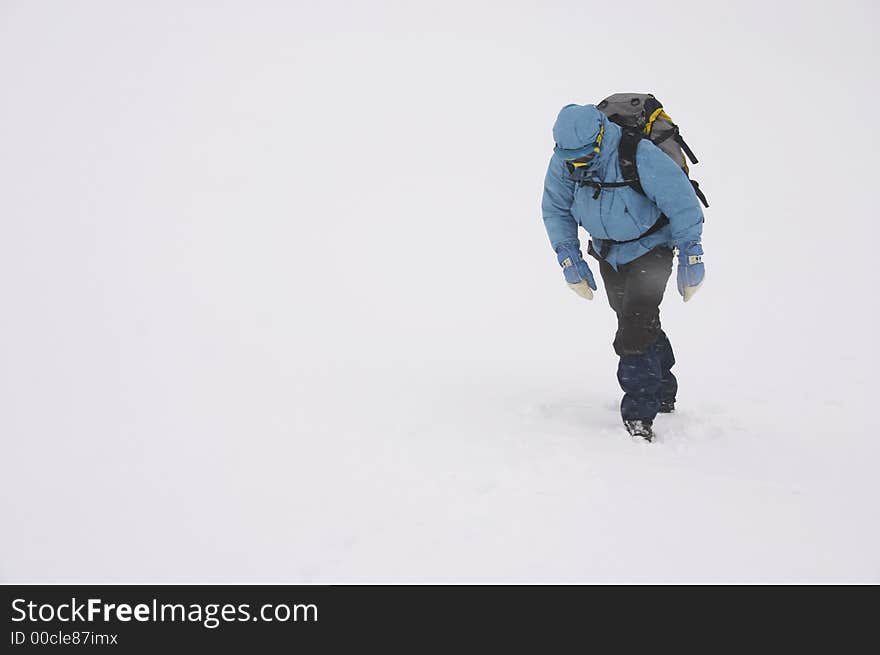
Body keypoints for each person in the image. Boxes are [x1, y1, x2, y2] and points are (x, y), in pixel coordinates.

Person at [541, 103, 705, 441]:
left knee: (633, 328)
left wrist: (691, 253)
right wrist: (569, 258)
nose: (578, 165)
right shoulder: (564, 161)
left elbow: (682, 203)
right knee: (636, 321)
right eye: (572, 158)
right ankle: (662, 390)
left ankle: (638, 415)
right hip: (607, 252)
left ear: (600, 137)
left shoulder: (639, 154)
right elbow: (555, 209)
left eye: (585, 157)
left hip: (652, 248)